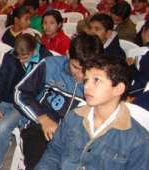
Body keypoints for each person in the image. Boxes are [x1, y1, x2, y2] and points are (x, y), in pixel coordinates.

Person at [35, 55, 149, 170]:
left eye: (97, 80)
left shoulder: (137, 140)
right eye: (86, 80)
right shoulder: (73, 117)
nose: (87, 86)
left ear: (118, 89)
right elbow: (54, 153)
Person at [14, 33, 104, 170]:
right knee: (40, 164)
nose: (81, 76)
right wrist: (42, 118)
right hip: (39, 128)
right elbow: (20, 93)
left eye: (86, 70)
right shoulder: (50, 65)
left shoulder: (103, 79)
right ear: (68, 55)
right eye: (76, 68)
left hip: (78, 136)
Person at [0, 34, 52, 170]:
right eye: (18, 56)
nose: (20, 60)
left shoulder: (45, 60)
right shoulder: (10, 56)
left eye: (24, 57)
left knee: (3, 127)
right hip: (7, 100)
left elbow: (44, 92)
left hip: (25, 105)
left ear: (34, 51)